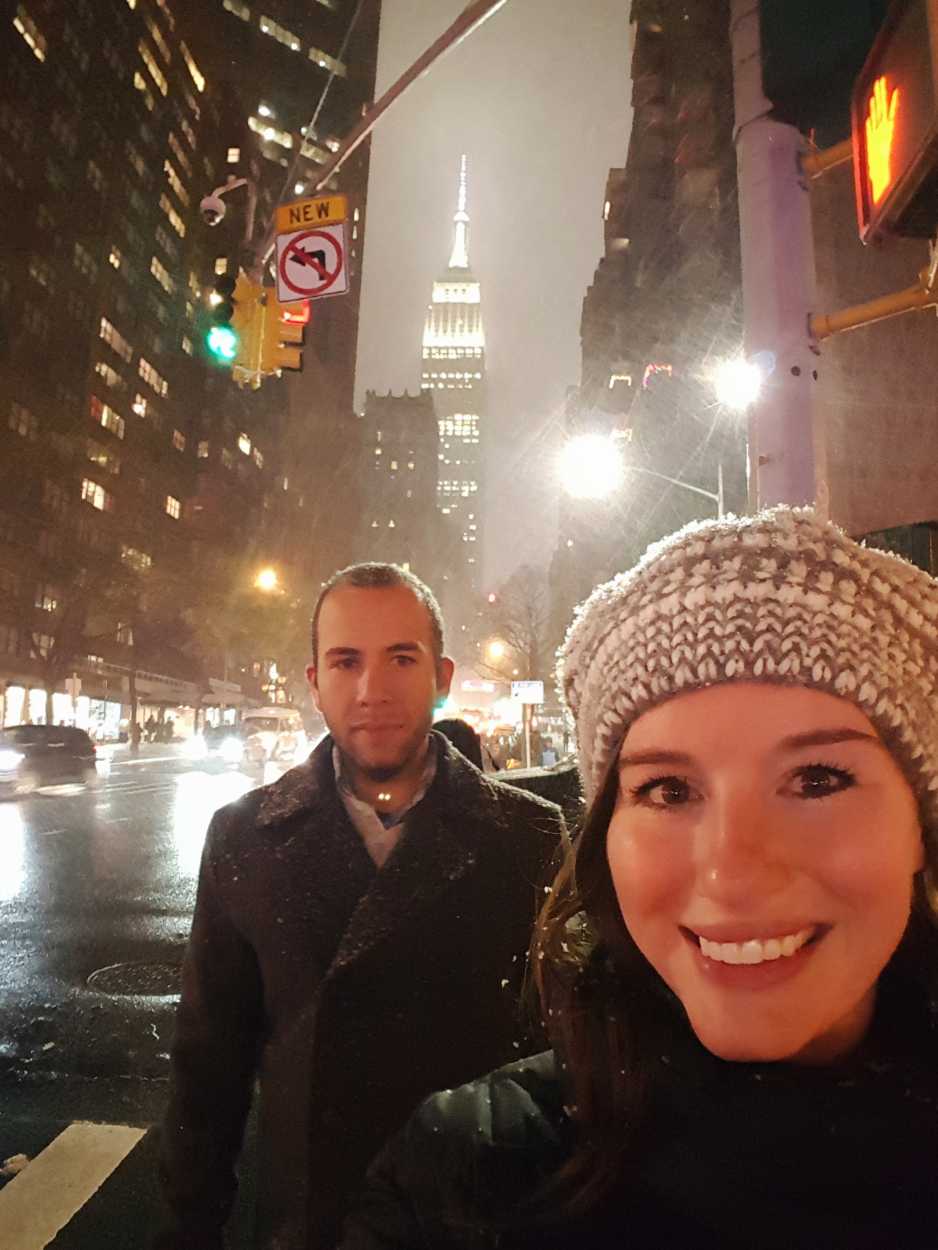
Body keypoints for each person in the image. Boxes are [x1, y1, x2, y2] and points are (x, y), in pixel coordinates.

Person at [343, 508, 938, 1250]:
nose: (732, 871)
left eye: (817, 779)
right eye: (668, 790)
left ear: (920, 826)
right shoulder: (471, 1176)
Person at [156, 562, 566, 1250]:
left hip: (478, 1222)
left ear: (442, 677)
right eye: (346, 662)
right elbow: (208, 1074)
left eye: (401, 659)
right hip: (312, 1223)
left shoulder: (529, 835)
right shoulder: (244, 837)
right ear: (315, 683)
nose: (372, 690)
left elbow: (566, 1064)